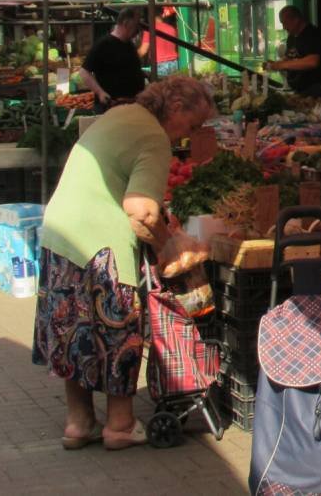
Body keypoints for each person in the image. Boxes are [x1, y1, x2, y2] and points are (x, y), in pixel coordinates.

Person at [32, 76, 215, 451]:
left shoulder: (121, 115)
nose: (187, 136)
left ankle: (79, 422)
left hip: (60, 233)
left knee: (74, 331)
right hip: (101, 244)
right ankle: (120, 423)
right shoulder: (152, 136)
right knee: (119, 331)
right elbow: (142, 211)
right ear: (176, 108)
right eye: (192, 125)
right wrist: (170, 247)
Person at [80, 8, 146, 112]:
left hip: (131, 105)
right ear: (126, 23)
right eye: (136, 24)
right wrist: (100, 92)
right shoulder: (103, 45)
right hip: (111, 107)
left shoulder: (130, 45)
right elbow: (84, 72)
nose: (138, 29)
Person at [265, 5, 321, 96]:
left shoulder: (312, 34)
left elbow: (312, 62)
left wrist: (282, 65)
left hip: (316, 90)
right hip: (299, 90)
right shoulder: (292, 37)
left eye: (285, 23)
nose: (284, 27)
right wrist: (275, 64)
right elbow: (290, 58)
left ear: (296, 20)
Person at [138, 7, 181, 77]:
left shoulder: (149, 30)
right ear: (161, 15)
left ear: (150, 16)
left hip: (159, 66)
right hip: (175, 64)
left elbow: (143, 50)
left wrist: (130, 57)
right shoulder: (171, 29)